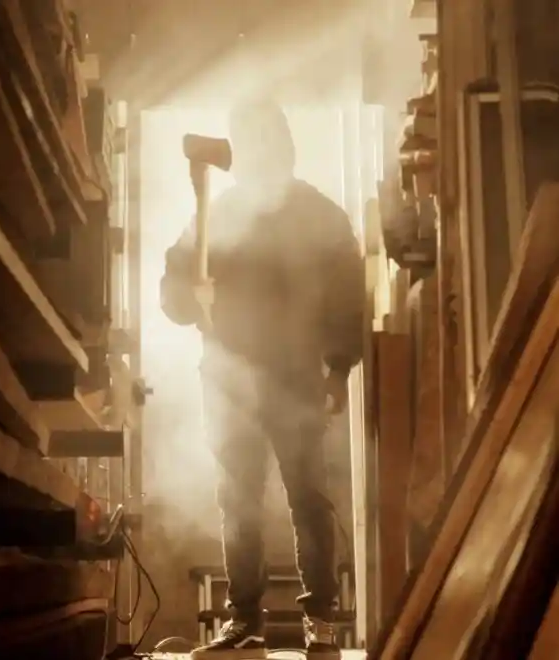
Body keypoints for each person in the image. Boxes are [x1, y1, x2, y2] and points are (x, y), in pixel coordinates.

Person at [160, 98, 365, 660]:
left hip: (296, 376)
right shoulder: (213, 216)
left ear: (284, 145)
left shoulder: (320, 216)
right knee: (238, 501)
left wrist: (338, 367)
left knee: (308, 499)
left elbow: (348, 297)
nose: (260, 151)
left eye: (267, 138)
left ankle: (320, 623)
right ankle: (245, 620)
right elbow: (173, 291)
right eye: (249, 140)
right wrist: (188, 296)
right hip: (228, 380)